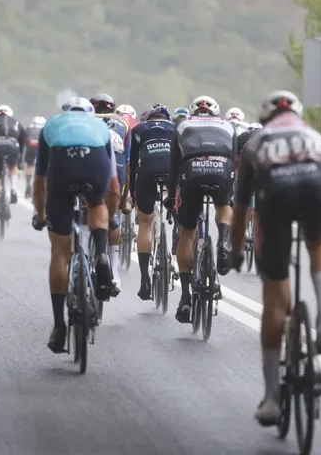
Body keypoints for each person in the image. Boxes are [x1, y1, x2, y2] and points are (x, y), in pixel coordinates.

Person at [227, 90, 321, 426]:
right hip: (317, 190)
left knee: (275, 299)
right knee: (317, 242)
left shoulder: (256, 142)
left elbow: (242, 209)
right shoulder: (314, 135)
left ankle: (272, 398)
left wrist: (235, 251)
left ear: (265, 119)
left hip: (275, 198)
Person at [30, 96, 119, 354]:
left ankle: (59, 327)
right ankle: (101, 255)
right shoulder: (101, 128)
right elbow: (113, 187)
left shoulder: (52, 125)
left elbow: (39, 182)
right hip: (95, 165)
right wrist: (111, 217)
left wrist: (40, 215)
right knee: (97, 204)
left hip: (62, 167)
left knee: (59, 253)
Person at [164, 95, 236, 324]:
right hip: (222, 169)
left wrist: (172, 195)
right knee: (224, 204)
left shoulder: (182, 125)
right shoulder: (228, 125)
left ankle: (185, 296)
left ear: (192, 112)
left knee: (187, 230)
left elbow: (174, 166)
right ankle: (224, 240)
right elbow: (234, 160)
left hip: (192, 173)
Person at [128, 103, 176, 300]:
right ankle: (179, 236)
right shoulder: (176, 129)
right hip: (171, 173)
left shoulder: (139, 129)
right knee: (182, 212)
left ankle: (144, 280)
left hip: (146, 173)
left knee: (145, 223)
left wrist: (132, 192)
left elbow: (132, 164)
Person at [91, 93, 131, 296]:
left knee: (83, 211)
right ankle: (114, 272)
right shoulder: (123, 123)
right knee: (112, 219)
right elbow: (129, 161)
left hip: (89, 166)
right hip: (117, 167)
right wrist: (125, 198)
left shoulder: (84, 120)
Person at [22, 116, 45, 200]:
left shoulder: (29, 128)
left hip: (30, 148)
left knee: (29, 166)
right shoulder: (45, 129)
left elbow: (24, 141)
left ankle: (28, 184)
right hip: (42, 149)